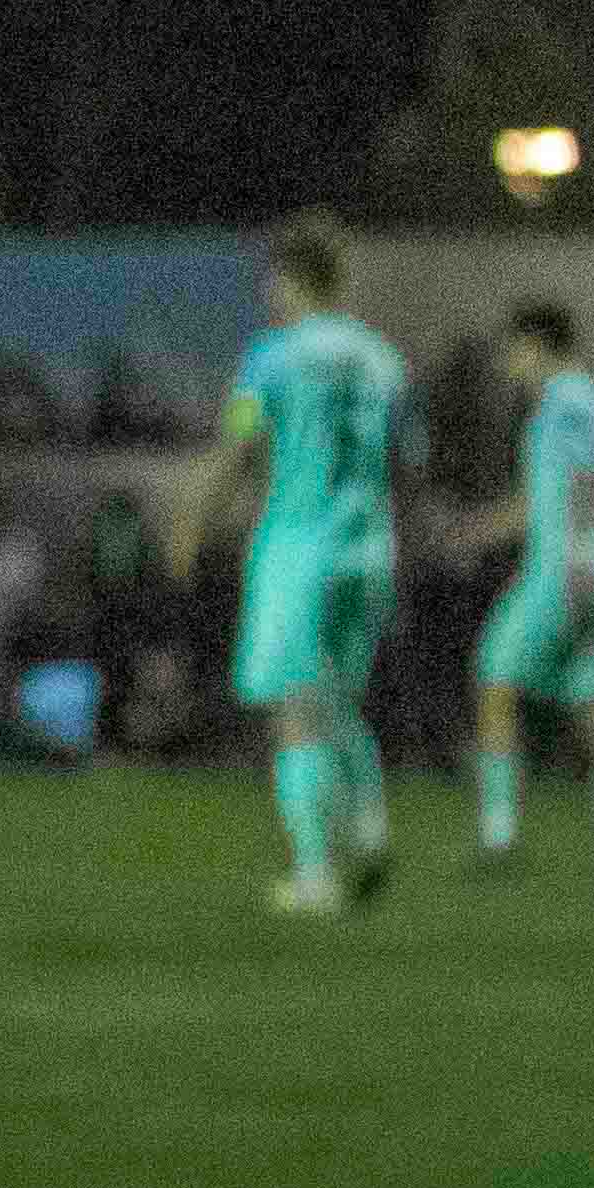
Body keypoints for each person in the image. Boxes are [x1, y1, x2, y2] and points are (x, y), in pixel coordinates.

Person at [192, 214, 410, 914]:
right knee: (337, 699)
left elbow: (240, 442)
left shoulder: (272, 357)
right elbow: (411, 460)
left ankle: (316, 876)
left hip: (297, 545)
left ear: (290, 278)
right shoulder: (385, 360)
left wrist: (192, 514)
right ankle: (371, 829)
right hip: (369, 546)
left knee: (294, 709)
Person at [457, 300, 594, 869]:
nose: (508, 360)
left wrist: (574, 567)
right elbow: (569, 491)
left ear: (536, 343)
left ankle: (498, 832)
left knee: (494, 679)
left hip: (567, 567)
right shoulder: (589, 401)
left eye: (513, 348)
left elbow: (575, 486)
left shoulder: (565, 400)